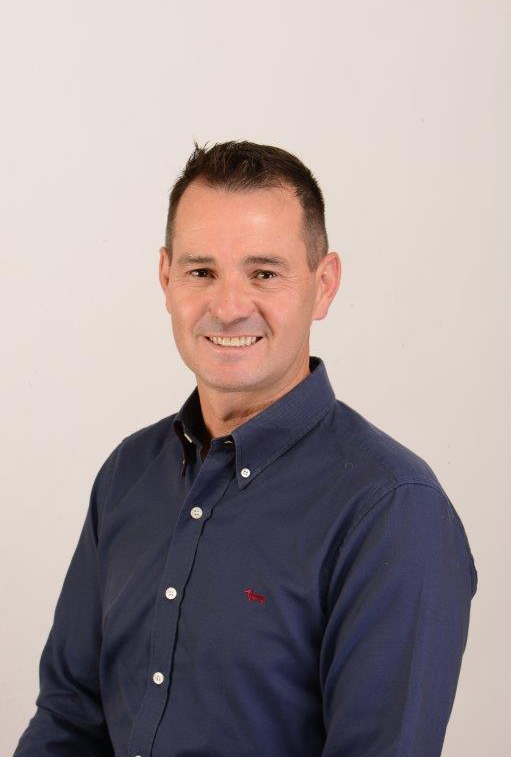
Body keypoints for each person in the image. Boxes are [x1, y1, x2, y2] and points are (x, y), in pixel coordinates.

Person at [13, 140, 478, 757]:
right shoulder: (128, 472)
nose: (229, 308)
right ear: (165, 278)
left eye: (264, 273)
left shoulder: (392, 510)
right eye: (201, 271)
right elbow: (68, 720)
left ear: (324, 285)